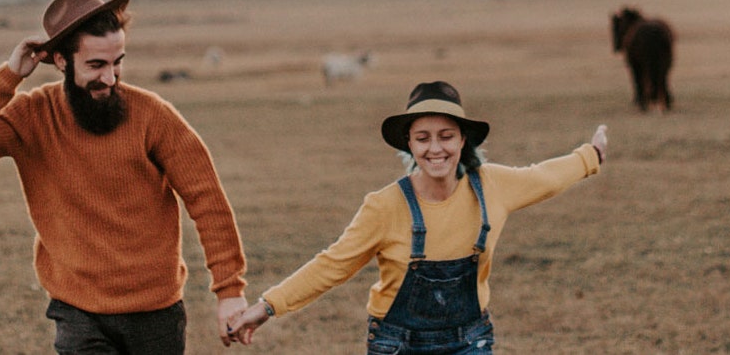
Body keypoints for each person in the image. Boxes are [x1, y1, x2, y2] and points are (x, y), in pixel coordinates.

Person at [0, 0, 248, 353]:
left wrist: (229, 290)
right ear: (61, 60)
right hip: (77, 311)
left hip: (155, 312)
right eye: (96, 65)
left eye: (117, 63)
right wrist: (9, 75)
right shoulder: (32, 116)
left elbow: (207, 202)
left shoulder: (153, 116)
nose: (111, 78)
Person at [226, 80, 608, 354]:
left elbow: (545, 177)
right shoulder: (384, 206)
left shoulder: (493, 186)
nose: (435, 148)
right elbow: (332, 264)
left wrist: (591, 156)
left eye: (446, 136)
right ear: (409, 144)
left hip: (470, 341)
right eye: (423, 138)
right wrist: (267, 307)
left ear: (463, 140)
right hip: (396, 344)